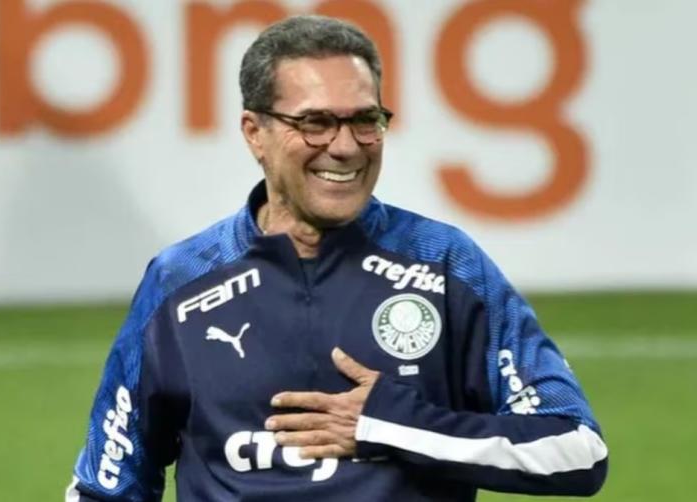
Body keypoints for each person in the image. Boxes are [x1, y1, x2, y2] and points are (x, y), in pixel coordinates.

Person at [66, 15, 608, 502]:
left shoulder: (445, 266)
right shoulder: (181, 281)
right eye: (315, 123)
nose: (346, 146)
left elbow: (575, 449)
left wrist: (393, 425)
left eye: (365, 120)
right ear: (256, 134)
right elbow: (107, 487)